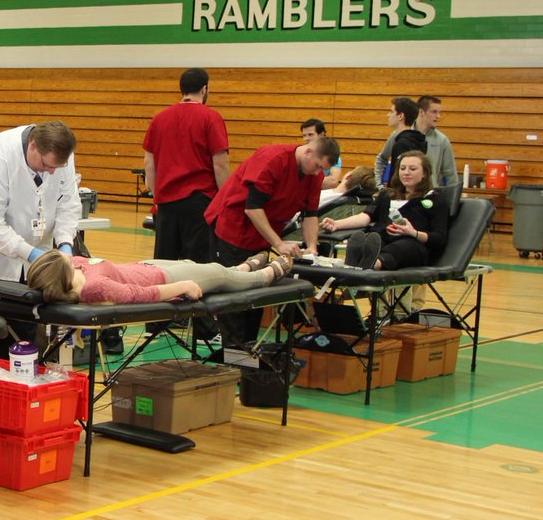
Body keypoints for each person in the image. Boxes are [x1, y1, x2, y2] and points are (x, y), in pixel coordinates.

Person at [0, 120, 82, 357]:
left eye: (57, 167)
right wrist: (31, 253)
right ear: (33, 146)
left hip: (36, 259)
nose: (52, 172)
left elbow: (68, 204)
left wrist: (65, 243)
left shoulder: (60, 155)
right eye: (46, 165)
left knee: (26, 334)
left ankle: (23, 377)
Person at [204, 134, 339, 343]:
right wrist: (279, 243)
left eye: (322, 169)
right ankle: (233, 353)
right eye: (318, 166)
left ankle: (249, 350)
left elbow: (310, 214)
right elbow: (252, 208)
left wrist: (312, 247)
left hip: (262, 237)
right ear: (308, 151)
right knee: (233, 297)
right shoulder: (272, 159)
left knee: (257, 297)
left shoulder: (313, 175)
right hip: (235, 229)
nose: (317, 172)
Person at [143, 67, 230, 263]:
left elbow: (149, 163)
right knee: (197, 266)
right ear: (205, 89)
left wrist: (158, 197)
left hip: (166, 203)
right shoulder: (210, 117)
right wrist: (225, 201)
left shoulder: (159, 118)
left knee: (165, 265)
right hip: (198, 202)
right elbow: (220, 164)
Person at [321, 151, 449, 271]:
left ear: (425, 173)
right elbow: (365, 217)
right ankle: (359, 261)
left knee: (401, 247)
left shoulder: (434, 200)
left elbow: (439, 238)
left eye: (412, 169)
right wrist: (337, 224)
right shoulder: (386, 195)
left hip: (412, 245)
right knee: (370, 240)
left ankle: (372, 264)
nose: (406, 172)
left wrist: (414, 233)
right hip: (381, 239)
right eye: (402, 168)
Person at [27, 249, 291, 305]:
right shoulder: (94, 288)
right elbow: (141, 295)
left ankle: (242, 268)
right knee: (218, 274)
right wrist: (182, 286)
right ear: (62, 272)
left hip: (147, 267)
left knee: (203, 265)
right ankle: (264, 276)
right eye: (64, 258)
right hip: (163, 280)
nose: (68, 255)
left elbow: (73, 258)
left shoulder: (74, 269)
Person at [374, 95, 458, 188]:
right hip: (402, 192)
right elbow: (382, 159)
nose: (438, 116)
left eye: (439, 112)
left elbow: (450, 174)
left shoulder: (442, 140)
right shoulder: (398, 135)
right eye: (434, 112)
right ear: (421, 112)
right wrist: (378, 185)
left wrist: (454, 195)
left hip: (430, 192)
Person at [373, 97, 426, 185]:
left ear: (401, 116)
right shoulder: (419, 139)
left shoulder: (401, 144)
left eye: (391, 112)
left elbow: (399, 178)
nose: (388, 115)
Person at [301, 118, 341, 190]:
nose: (306, 138)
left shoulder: (331, 155)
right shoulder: (299, 154)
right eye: (304, 135)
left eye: (310, 135)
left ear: (321, 134)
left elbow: (333, 181)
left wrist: (304, 181)